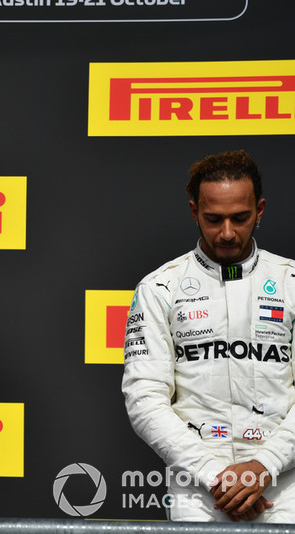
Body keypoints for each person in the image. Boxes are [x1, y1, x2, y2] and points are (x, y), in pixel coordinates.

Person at [122, 150, 295, 523]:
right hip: (200, 490)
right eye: (213, 219)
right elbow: (143, 397)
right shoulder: (159, 288)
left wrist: (266, 463)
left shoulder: (291, 282)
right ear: (193, 212)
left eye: (241, 218)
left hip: (284, 485)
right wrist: (215, 475)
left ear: (260, 210)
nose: (228, 233)